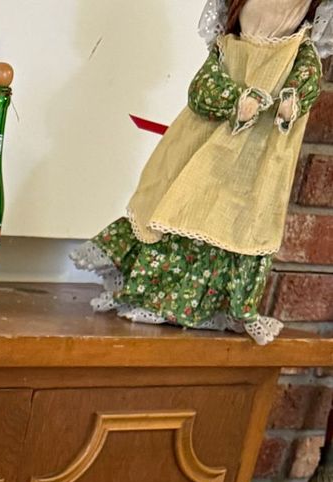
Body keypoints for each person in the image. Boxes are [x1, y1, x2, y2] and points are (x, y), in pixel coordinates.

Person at [74, 0, 332, 343]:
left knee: (226, 226)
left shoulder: (300, 54)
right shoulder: (226, 47)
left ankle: (207, 306)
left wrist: (291, 100)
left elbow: (305, 84)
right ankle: (153, 295)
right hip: (199, 152)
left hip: (251, 168)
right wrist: (236, 100)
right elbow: (201, 90)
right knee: (179, 208)